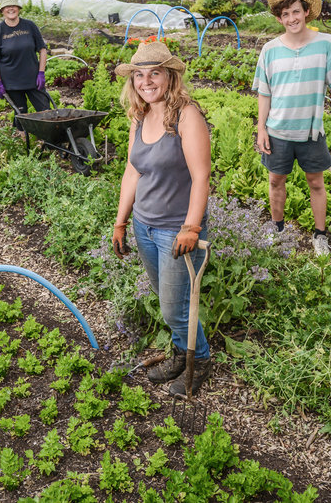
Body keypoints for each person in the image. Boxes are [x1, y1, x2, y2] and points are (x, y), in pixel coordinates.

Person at [111, 40, 213, 399]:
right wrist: (121, 221)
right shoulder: (140, 115)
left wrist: (191, 227)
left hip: (175, 229)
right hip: (144, 225)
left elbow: (202, 177)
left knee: (175, 307)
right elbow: (132, 170)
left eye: (154, 73)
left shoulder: (186, 116)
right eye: (140, 75)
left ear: (169, 76)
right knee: (168, 301)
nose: (146, 81)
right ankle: (179, 354)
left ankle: (197, 362)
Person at [252, 0, 331, 254]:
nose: (291, 19)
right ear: (279, 19)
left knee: (316, 182)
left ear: (306, 12)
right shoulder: (270, 49)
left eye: (296, 12)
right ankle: (277, 230)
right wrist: (261, 129)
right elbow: (264, 93)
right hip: (278, 130)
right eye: (285, 14)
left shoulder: (325, 43)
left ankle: (319, 235)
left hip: (311, 132)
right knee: (276, 181)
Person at [0, 0, 50, 122]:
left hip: (33, 80)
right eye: (7, 7)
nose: (11, 9)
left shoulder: (30, 26)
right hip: (11, 82)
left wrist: (41, 73)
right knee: (21, 114)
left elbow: (42, 50)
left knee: (46, 111)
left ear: (18, 8)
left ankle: (49, 139)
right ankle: (24, 139)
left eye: (13, 6)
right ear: (2, 10)